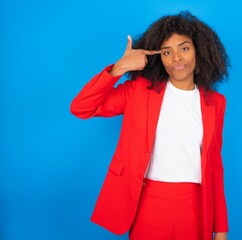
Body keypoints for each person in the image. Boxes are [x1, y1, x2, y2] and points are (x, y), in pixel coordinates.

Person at [70, 11, 229, 240]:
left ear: (199, 51)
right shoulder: (138, 91)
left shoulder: (216, 102)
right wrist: (119, 68)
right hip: (147, 203)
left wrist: (221, 229)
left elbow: (214, 167)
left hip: (195, 205)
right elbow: (81, 107)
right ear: (159, 58)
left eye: (184, 48)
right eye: (167, 51)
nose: (176, 57)